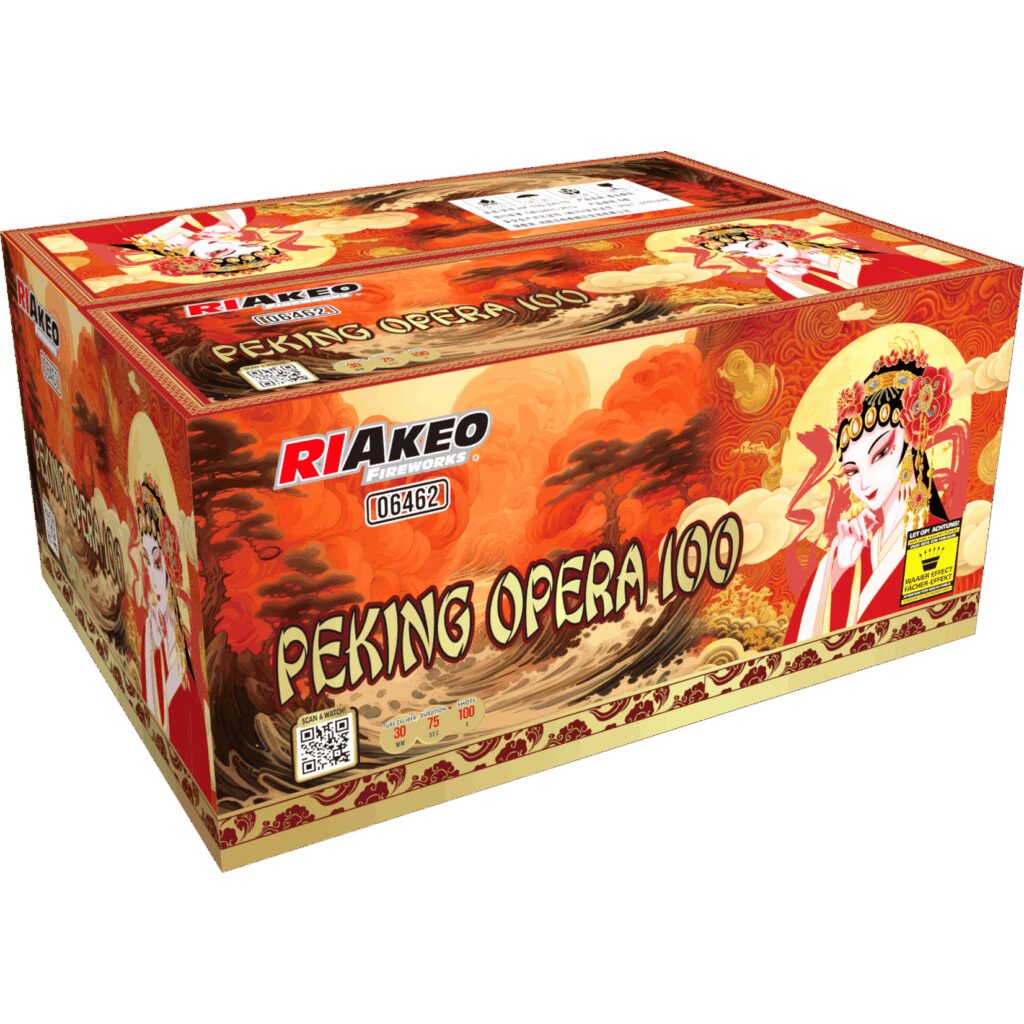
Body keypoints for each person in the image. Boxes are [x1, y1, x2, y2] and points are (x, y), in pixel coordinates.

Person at [785, 344, 958, 643]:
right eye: (852, 471)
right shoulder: (853, 544)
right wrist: (839, 567)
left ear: (912, 441)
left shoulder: (935, 535)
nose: (864, 482)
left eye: (880, 454)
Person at [135, 474, 212, 795]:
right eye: (147, 562)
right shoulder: (151, 626)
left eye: (157, 562)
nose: (153, 577)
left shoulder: (187, 628)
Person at [676, 222, 944, 300]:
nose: (760, 256)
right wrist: (801, 276)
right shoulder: (778, 277)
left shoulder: (830, 245)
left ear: (773, 236)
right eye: (745, 255)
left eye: (759, 246)